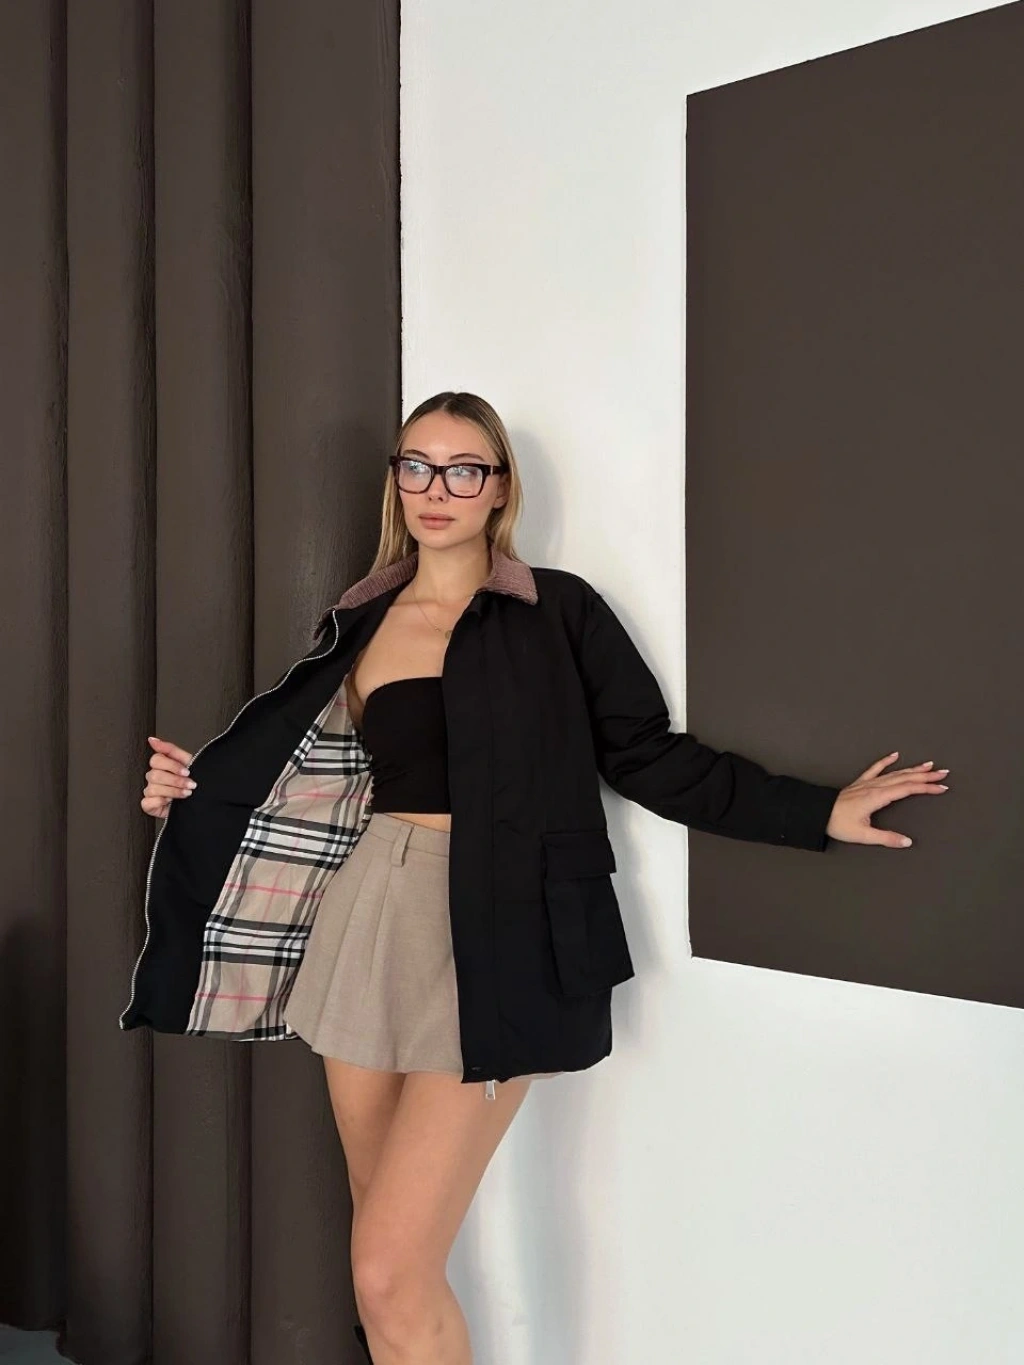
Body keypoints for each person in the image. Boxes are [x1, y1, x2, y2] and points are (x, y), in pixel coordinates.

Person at [128, 391, 949, 1364]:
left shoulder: (556, 609)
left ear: (498, 488)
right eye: (416, 465)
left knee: (389, 1268)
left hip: (502, 928)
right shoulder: (359, 619)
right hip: (367, 914)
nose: (437, 488)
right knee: (377, 1253)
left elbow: (649, 755)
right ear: (396, 482)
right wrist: (193, 793)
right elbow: (314, 772)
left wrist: (815, 811)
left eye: (463, 468)